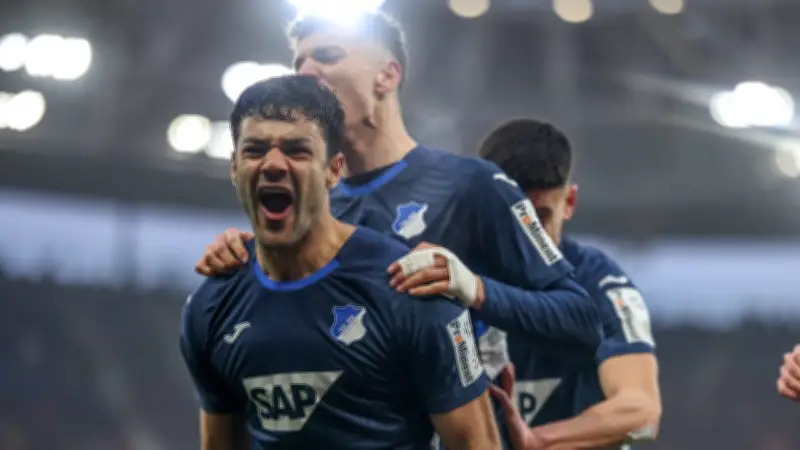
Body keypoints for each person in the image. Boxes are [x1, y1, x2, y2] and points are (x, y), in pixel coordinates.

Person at [195, 10, 602, 384]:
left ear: (387, 76)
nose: (306, 73)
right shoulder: (309, 209)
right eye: (298, 63)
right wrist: (249, 260)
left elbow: (581, 320)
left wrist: (474, 288)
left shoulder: (472, 185)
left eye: (328, 57)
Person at [180, 75, 501, 450]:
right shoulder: (211, 308)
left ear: (333, 170)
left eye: (297, 150)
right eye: (255, 150)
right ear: (234, 167)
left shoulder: (411, 287)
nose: (273, 164)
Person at [478, 119, 662, 450]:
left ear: (570, 203)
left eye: (540, 217)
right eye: (513, 219)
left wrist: (538, 441)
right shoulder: (448, 278)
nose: (528, 238)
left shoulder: (600, 283)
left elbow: (641, 411)